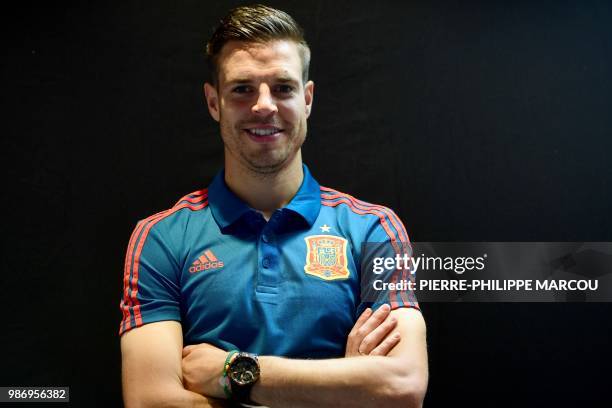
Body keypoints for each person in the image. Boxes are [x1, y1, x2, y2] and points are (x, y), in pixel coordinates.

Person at [119, 5, 427, 407]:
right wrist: (343, 389)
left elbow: (401, 387)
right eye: (242, 89)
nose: (264, 106)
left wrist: (233, 372)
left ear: (308, 98)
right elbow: (150, 402)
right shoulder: (161, 238)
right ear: (214, 103)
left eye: (283, 88)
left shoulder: (373, 228)